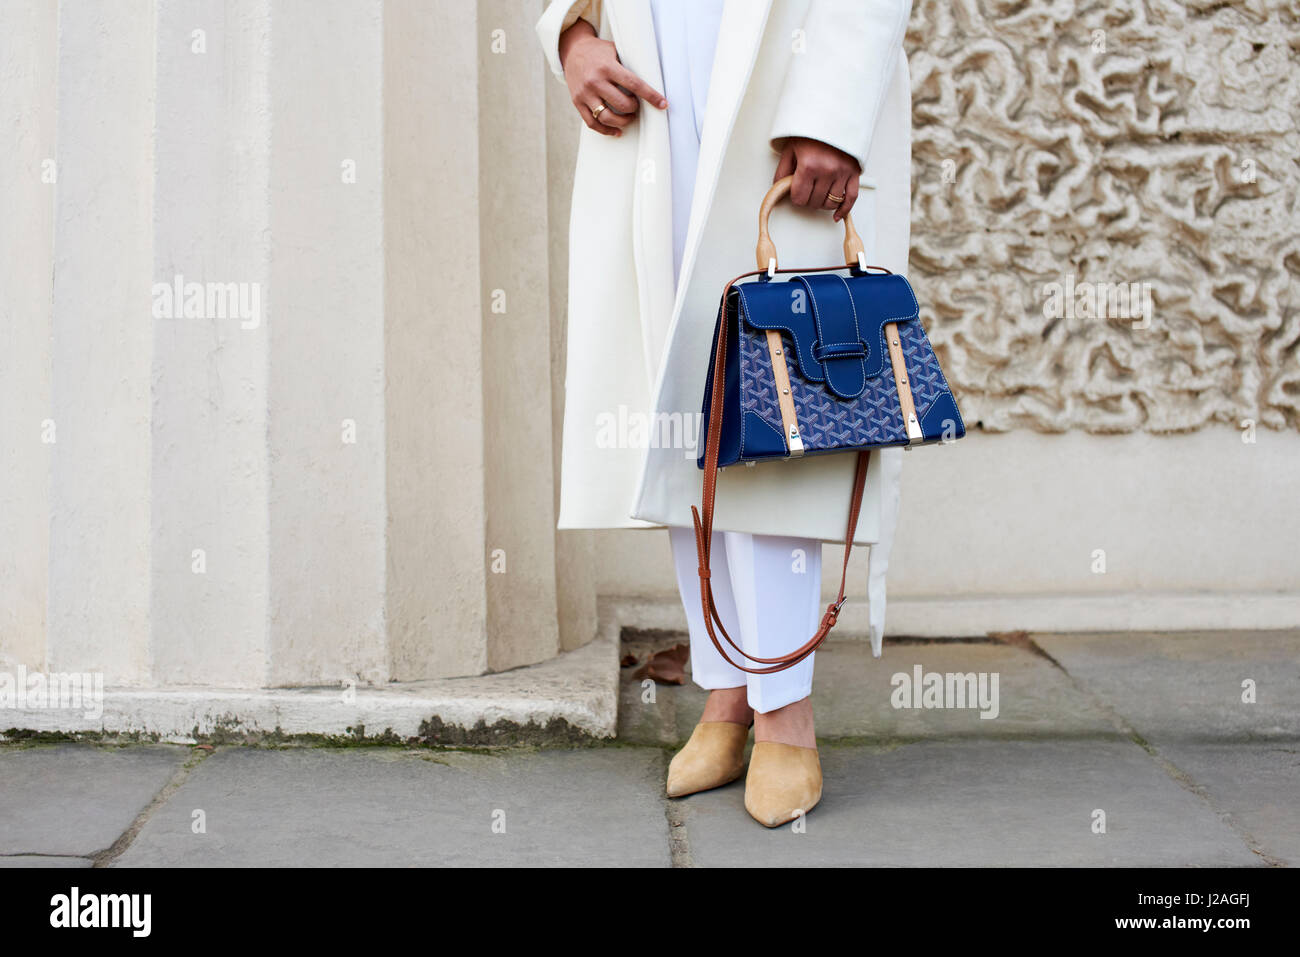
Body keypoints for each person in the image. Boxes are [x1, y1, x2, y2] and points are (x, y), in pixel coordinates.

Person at [536, 0, 913, 827]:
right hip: (654, 74)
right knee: (682, 394)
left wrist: (832, 111)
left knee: (775, 404)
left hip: (783, 68)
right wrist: (570, 36)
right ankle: (727, 690)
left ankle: (787, 711)